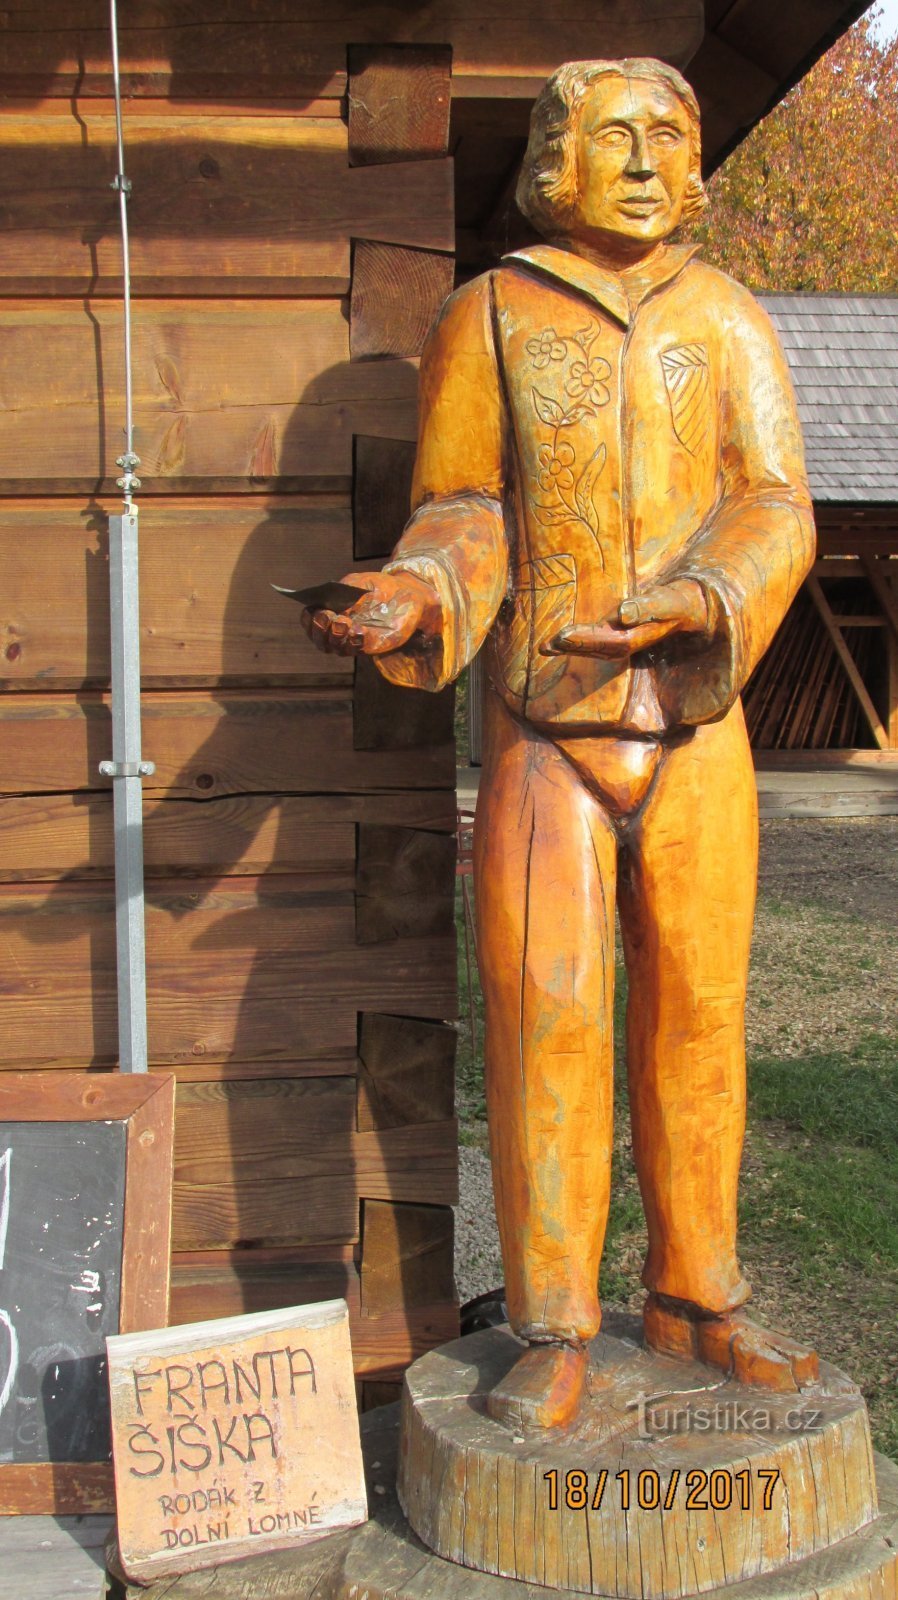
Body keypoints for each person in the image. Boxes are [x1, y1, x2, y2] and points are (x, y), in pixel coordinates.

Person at [303, 57, 819, 1430]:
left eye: (670, 135)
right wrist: (415, 591)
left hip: (695, 727)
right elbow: (462, 503)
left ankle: (698, 1298)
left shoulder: (726, 315)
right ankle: (554, 1322)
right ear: (553, 163)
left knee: (699, 1023)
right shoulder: (490, 313)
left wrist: (703, 594)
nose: (646, 162)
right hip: (544, 731)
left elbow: (776, 501)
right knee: (549, 1020)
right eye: (614, 136)